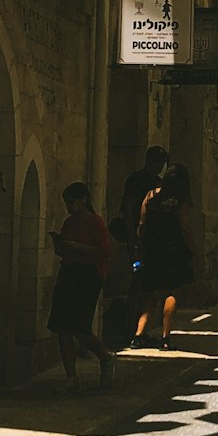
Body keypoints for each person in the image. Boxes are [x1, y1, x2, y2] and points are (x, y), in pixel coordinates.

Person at [47, 182, 114, 393]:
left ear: (83, 200)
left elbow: (103, 251)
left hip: (87, 276)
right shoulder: (69, 223)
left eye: (72, 202)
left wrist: (77, 247)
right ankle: (71, 377)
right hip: (68, 273)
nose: (69, 207)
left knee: (81, 328)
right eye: (67, 203)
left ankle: (105, 357)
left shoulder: (95, 222)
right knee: (62, 327)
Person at [131, 164, 194, 350]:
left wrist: (139, 244)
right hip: (174, 250)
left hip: (153, 249)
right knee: (172, 291)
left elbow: (142, 223)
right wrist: (193, 248)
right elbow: (185, 226)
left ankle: (138, 334)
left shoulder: (150, 196)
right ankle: (166, 337)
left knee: (152, 293)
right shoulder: (181, 200)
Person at [116, 145, 168, 248]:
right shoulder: (136, 180)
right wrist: (132, 236)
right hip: (138, 227)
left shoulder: (160, 182)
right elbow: (128, 209)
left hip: (154, 232)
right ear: (149, 160)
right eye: (157, 161)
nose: (160, 165)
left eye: (162, 161)